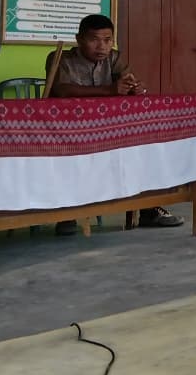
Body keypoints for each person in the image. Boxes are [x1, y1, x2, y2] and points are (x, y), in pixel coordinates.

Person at [47, 14, 183, 232]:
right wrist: (109, 90)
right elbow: (61, 90)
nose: (102, 46)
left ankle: (149, 208)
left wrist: (135, 88)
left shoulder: (115, 58)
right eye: (94, 40)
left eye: (108, 40)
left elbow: (128, 81)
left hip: (108, 131)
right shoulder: (61, 59)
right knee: (72, 159)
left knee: (143, 148)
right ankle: (68, 214)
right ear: (79, 39)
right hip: (68, 131)